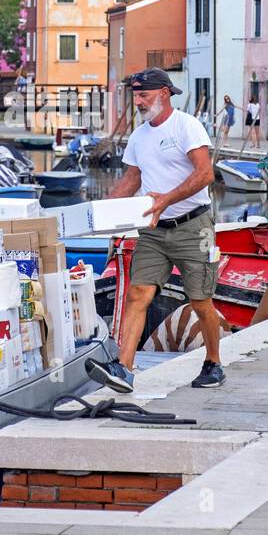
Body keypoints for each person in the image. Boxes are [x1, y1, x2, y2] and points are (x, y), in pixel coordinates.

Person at [85, 68, 226, 394]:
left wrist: (166, 199)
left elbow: (205, 174)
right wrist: (98, 213)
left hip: (194, 226)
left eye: (144, 95)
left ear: (164, 93)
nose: (138, 101)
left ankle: (214, 363)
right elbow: (131, 181)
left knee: (200, 301)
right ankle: (125, 368)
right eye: (135, 95)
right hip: (152, 230)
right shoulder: (138, 136)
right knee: (138, 294)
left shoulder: (186, 126)